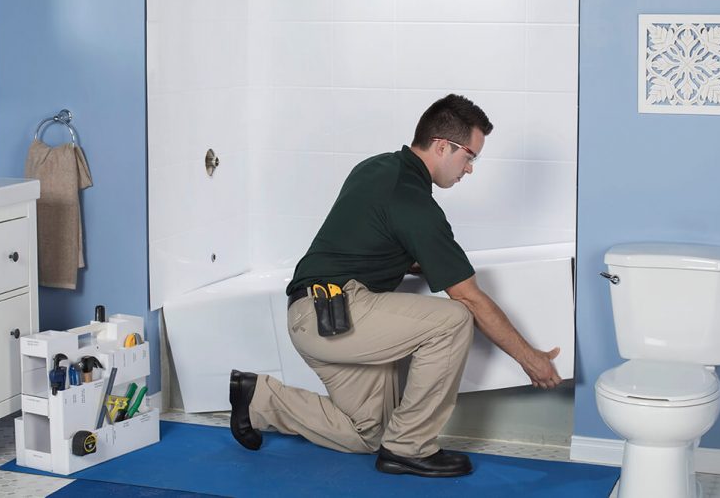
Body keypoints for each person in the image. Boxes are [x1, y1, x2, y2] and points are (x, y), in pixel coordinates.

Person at [229, 93, 562, 478]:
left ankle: (258, 398)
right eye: (470, 156)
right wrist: (530, 359)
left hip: (321, 317)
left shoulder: (377, 168)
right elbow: (468, 296)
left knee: (366, 433)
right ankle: (409, 448)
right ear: (442, 146)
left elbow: (371, 239)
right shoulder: (413, 202)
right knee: (453, 318)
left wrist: (428, 261)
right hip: (332, 313)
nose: (469, 169)